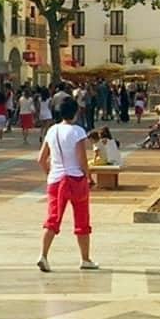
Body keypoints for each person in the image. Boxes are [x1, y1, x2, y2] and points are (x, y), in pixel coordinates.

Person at [38, 94, 97, 272]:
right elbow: (81, 158)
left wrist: (49, 173)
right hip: (75, 178)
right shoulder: (77, 131)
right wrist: (89, 176)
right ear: (76, 112)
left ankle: (43, 255)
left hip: (56, 180)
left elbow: (41, 159)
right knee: (82, 219)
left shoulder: (52, 130)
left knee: (53, 219)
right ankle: (85, 258)